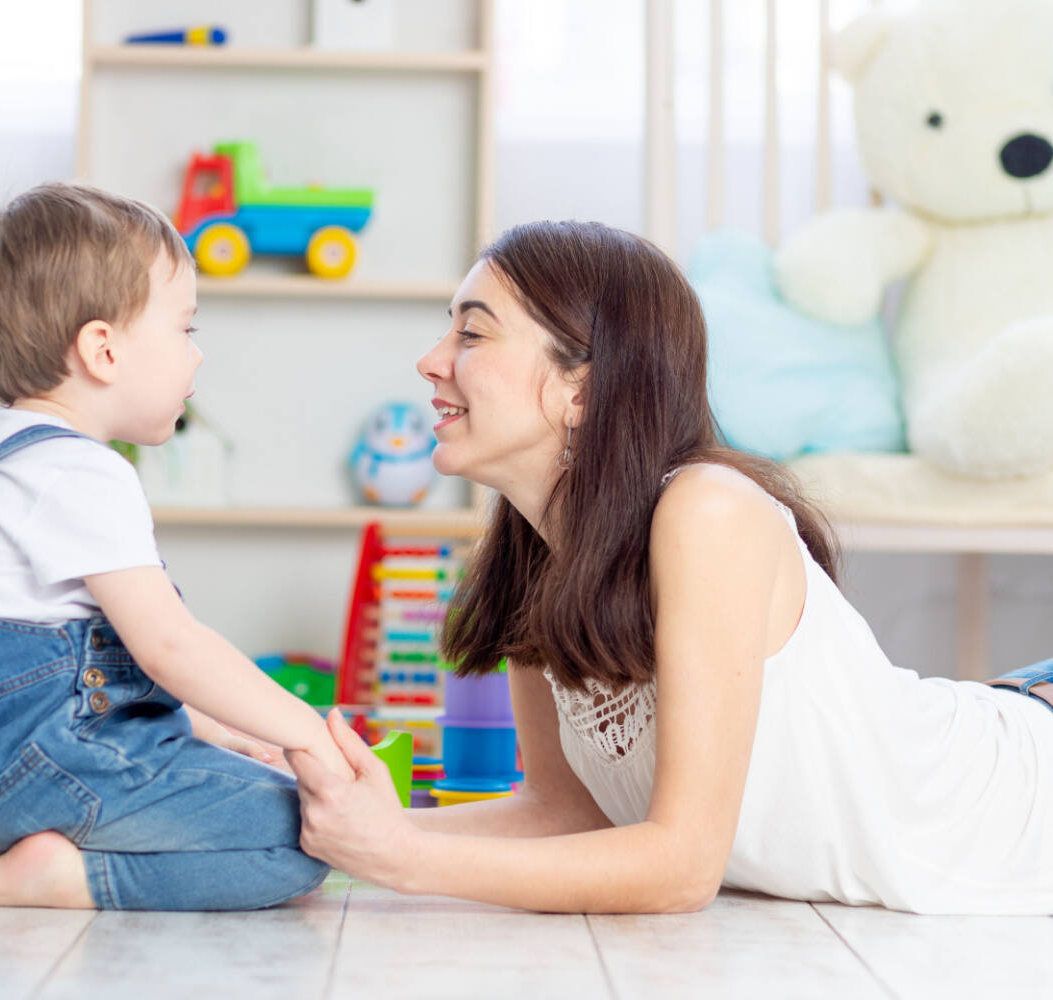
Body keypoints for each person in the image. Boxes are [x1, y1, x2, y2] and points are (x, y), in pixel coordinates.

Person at [287, 220, 1053, 915]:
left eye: (472, 335)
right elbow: (564, 815)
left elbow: (682, 867)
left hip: (1021, 796)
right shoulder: (530, 558)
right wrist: (362, 831)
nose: (431, 362)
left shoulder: (706, 513)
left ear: (581, 388)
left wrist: (405, 856)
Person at [0, 182, 351, 912]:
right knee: (305, 836)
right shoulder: (76, 471)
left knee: (263, 796)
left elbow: (82, 665)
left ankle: (29, 857)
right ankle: (61, 879)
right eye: (185, 329)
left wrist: (216, 730)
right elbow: (170, 647)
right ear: (102, 349)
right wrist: (308, 736)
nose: (197, 358)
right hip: (55, 775)